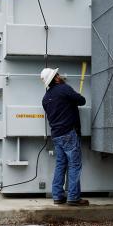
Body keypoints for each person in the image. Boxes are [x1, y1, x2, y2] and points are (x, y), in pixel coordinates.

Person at [40, 67, 89, 206]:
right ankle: (73, 197)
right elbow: (82, 100)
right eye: (57, 74)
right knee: (74, 165)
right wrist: (75, 96)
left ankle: (58, 196)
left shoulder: (45, 99)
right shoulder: (64, 89)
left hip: (56, 135)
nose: (60, 76)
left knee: (60, 165)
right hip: (69, 133)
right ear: (55, 78)